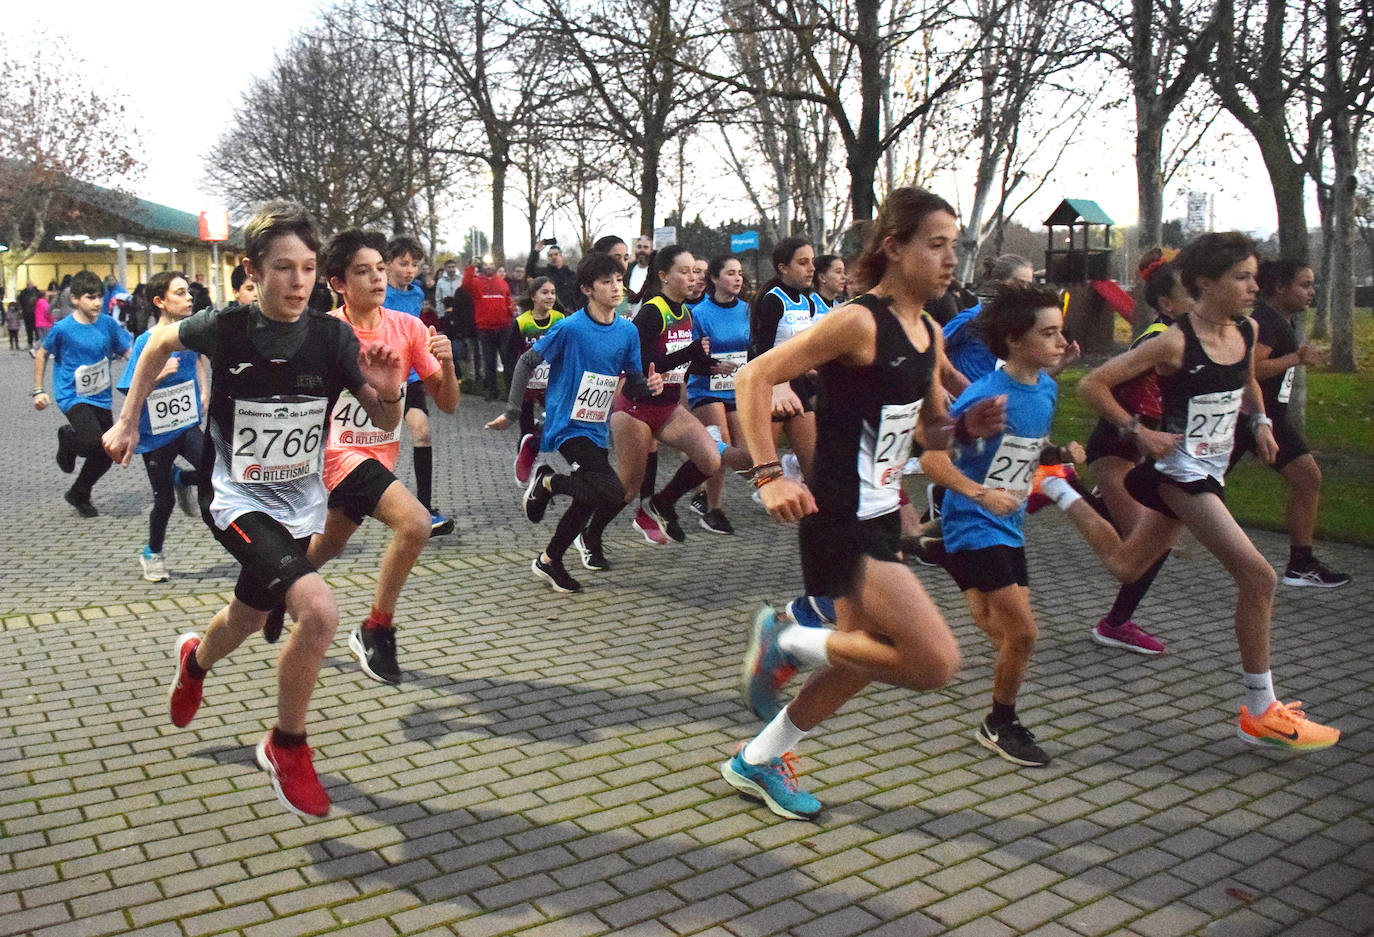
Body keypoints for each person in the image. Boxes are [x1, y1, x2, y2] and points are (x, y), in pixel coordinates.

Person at [103, 200, 408, 817]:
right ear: (254, 269)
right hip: (235, 495)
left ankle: (195, 662)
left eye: (307, 268)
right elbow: (159, 340)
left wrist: (392, 387)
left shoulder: (333, 337)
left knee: (246, 615)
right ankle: (286, 745)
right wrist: (127, 420)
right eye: (282, 268)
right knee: (318, 612)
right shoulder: (227, 327)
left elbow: (384, 418)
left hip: (297, 504)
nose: (297, 282)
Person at [725, 187, 1002, 820]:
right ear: (894, 247)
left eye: (954, 247)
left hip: (879, 511)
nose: (950, 259)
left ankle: (758, 760)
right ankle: (788, 642)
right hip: (839, 515)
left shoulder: (928, 330)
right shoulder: (858, 321)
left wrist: (965, 428)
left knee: (865, 657)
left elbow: (929, 429)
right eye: (936, 245)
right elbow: (754, 377)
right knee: (934, 661)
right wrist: (769, 475)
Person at [1049, 231, 1340, 751]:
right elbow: (1091, 385)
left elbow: (1246, 380)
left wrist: (1260, 424)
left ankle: (1060, 487)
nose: (1255, 287)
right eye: (1243, 277)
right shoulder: (1174, 341)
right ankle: (1260, 711)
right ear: (1207, 283)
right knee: (1260, 577)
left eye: (1255, 276)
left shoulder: (1247, 329)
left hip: (1210, 471)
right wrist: (1139, 431)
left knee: (1126, 565)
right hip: (1181, 475)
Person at [921, 285, 1082, 767]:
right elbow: (931, 459)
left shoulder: (1047, 389)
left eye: (1060, 332)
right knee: (1025, 635)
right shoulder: (986, 393)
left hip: (1007, 522)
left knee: (999, 628)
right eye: (1048, 333)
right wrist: (978, 494)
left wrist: (1056, 455)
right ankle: (999, 722)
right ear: (1014, 340)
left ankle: (945, 557)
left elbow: (1026, 450)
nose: (1060, 343)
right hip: (974, 517)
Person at [302, 228, 457, 683]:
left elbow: (447, 404)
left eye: (381, 270)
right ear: (338, 283)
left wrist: (446, 363)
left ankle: (272, 589)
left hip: (378, 452)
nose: (377, 279)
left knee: (329, 544)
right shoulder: (324, 333)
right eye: (362, 272)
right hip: (334, 455)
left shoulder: (408, 328)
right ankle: (376, 628)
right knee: (415, 523)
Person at [485, 252, 664, 592]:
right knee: (612, 492)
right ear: (587, 289)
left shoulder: (627, 331)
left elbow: (636, 383)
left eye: (618, 280)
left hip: (596, 426)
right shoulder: (569, 327)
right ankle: (547, 481)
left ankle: (549, 560)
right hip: (566, 424)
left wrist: (650, 388)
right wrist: (511, 411)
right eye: (606, 282)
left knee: (590, 497)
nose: (616, 287)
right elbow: (526, 361)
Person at [576, 245, 730, 556]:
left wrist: (709, 363)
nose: (693, 278)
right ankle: (589, 534)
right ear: (664, 276)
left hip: (668, 407)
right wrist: (689, 353)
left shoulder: (685, 312)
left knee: (711, 460)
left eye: (696, 272)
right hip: (636, 410)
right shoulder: (652, 311)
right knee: (628, 488)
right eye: (684, 272)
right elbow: (641, 362)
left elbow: (680, 363)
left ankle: (659, 504)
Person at [1079, 251, 1191, 654]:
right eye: (1190, 293)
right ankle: (1115, 624)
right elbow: (1098, 386)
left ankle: (1070, 491)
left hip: (1140, 454)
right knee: (1144, 549)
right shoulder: (1159, 339)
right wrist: (1137, 429)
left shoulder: (1188, 340)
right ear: (1168, 304)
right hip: (1114, 448)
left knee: (1149, 541)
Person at [1227, 260, 1348, 588]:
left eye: (1312, 285)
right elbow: (1248, 369)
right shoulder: (1267, 322)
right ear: (1280, 288)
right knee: (1190, 489)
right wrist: (1297, 358)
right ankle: (1119, 515)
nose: (1311, 292)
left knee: (1307, 478)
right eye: (1304, 285)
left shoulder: (1280, 321)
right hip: (1249, 418)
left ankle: (1300, 563)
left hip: (1265, 419)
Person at [115, 271, 207, 582]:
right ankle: (152, 554)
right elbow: (130, 388)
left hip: (186, 424)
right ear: (160, 301)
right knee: (164, 501)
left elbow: (197, 362)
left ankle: (184, 477)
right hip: (155, 433)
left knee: (216, 468)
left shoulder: (191, 332)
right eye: (180, 293)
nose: (189, 298)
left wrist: (204, 391)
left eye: (188, 292)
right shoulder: (146, 341)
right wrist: (159, 375)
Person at [32, 270, 132, 517]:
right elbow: (42, 354)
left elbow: (128, 352)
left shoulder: (108, 324)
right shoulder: (63, 329)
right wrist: (38, 390)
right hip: (72, 395)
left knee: (108, 453)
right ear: (75, 299)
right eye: (90, 297)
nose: (97, 302)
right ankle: (68, 439)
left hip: (101, 396)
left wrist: (148, 375)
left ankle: (79, 492)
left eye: (99, 297)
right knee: (90, 441)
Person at [386, 236, 453, 536]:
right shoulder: (376, 292)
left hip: (410, 378)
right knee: (375, 449)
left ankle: (425, 509)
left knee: (422, 432)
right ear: (386, 264)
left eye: (414, 264)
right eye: (403, 263)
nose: (410, 270)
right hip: (379, 380)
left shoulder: (416, 294)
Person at [685, 254, 754, 533]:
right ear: (714, 278)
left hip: (737, 390)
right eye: (730, 273)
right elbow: (689, 357)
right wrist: (712, 366)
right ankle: (713, 509)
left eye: (739, 273)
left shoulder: (749, 310)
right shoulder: (699, 314)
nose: (737, 278)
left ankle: (696, 465)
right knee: (721, 446)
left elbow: (755, 349)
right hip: (706, 387)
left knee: (746, 458)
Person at [508, 276, 566, 484]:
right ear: (533, 296)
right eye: (544, 292)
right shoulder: (522, 322)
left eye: (552, 292)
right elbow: (510, 355)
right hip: (527, 385)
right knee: (526, 431)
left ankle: (539, 432)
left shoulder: (561, 320)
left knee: (557, 424)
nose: (550, 296)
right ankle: (525, 466)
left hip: (552, 384)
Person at [464, 259, 515, 401]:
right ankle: (492, 391)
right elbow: (466, 284)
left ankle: (510, 392)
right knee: (489, 361)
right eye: (486, 265)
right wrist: (471, 266)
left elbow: (508, 300)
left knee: (507, 361)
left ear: (495, 266)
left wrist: (510, 312)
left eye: (491, 264)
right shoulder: (476, 282)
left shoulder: (502, 282)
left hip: (504, 327)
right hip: (485, 328)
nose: (489, 267)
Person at [528, 240, 579, 311]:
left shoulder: (571, 275)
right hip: (548, 313)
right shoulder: (543, 274)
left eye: (556, 254)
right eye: (550, 255)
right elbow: (530, 270)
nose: (553, 257)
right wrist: (536, 252)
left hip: (568, 313)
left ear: (561, 256)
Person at [626, 235, 653, 301]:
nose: (642, 250)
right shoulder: (627, 269)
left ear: (651, 250)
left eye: (645, 247)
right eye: (639, 247)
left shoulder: (654, 272)